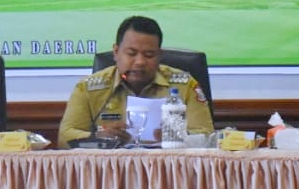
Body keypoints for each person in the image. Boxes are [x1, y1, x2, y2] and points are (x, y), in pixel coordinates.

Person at [58, 15, 214, 148]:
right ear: (116, 52)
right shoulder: (89, 88)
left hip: (169, 169)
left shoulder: (184, 85)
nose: (140, 62)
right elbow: (65, 138)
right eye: (131, 53)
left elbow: (207, 136)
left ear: (159, 56)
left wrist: (175, 137)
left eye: (149, 55)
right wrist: (99, 137)